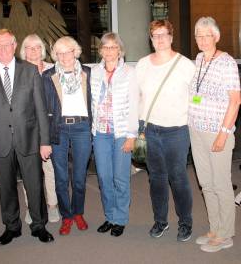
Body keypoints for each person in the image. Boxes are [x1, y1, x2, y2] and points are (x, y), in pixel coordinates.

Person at [0, 28, 54, 245]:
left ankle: (39, 226)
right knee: (6, 188)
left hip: (29, 138)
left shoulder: (30, 71)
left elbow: (40, 109)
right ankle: (12, 227)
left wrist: (45, 141)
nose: (2, 49)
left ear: (14, 46)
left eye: (6, 44)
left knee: (35, 185)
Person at [136, 20, 195, 241]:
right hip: (149, 130)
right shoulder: (142, 64)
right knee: (157, 179)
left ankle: (185, 222)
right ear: (150, 39)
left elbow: (196, 95)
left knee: (178, 177)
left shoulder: (185, 65)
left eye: (163, 34)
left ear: (171, 37)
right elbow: (138, 96)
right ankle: (161, 221)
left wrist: (195, 113)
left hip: (176, 131)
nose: (159, 39)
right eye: (155, 35)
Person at [189, 17, 240, 252]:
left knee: (220, 184)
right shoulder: (199, 59)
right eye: (198, 35)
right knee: (206, 184)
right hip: (197, 131)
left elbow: (235, 101)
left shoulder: (227, 63)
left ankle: (226, 233)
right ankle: (215, 227)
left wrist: (223, 133)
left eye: (206, 35)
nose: (201, 39)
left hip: (217, 132)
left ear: (216, 37)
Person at [42, 36, 92, 236]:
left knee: (79, 177)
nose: (64, 56)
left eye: (68, 51)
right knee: (61, 178)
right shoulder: (48, 76)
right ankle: (67, 215)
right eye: (59, 53)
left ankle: (78, 212)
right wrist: (43, 139)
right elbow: (43, 108)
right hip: (59, 129)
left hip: (82, 127)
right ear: (55, 55)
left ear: (75, 52)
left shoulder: (88, 73)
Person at [90, 32, 138, 237]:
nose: (109, 51)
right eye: (106, 47)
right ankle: (109, 216)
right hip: (100, 132)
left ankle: (120, 218)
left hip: (121, 132)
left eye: (113, 47)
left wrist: (131, 135)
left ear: (120, 50)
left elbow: (135, 105)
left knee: (120, 178)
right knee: (103, 177)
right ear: (100, 50)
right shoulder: (93, 72)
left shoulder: (129, 72)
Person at [19, 34, 60, 224]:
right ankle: (32, 207)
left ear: (42, 49)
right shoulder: (18, 71)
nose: (34, 51)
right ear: (23, 50)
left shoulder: (53, 69)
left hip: (49, 127)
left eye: (37, 47)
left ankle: (52, 205)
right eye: (29, 47)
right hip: (26, 129)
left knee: (50, 168)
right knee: (30, 171)